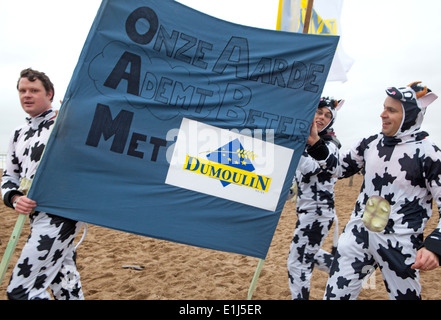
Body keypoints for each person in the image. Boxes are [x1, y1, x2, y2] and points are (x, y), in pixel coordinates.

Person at [307, 82, 441, 300]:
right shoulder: (369, 144)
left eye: (392, 110)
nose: (382, 114)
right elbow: (338, 167)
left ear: (411, 116)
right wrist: (315, 143)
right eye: (383, 107)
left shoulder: (429, 154)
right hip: (357, 238)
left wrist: (435, 246)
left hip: (400, 244)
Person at [1, 68, 84, 300]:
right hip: (36, 216)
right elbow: (9, 176)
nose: (26, 95)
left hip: (62, 213)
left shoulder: (66, 122)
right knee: (66, 287)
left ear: (49, 94)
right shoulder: (17, 134)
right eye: (22, 90)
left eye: (34, 90)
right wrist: (14, 198)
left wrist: (77, 116)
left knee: (21, 292)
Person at [287, 97, 343, 300]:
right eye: (319, 112)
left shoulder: (331, 144)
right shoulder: (305, 143)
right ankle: (348, 269)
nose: (322, 117)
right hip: (307, 211)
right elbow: (297, 182)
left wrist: (294, 146)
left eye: (328, 115)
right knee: (306, 255)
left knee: (297, 263)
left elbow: (310, 167)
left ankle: (349, 269)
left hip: (318, 212)